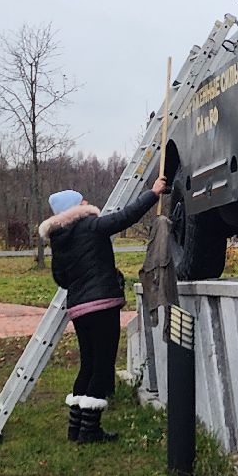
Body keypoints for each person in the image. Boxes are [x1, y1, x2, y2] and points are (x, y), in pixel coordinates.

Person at [39, 176, 166, 443]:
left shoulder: (58, 240)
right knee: (102, 367)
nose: (87, 202)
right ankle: (90, 430)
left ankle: (75, 428)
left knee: (87, 365)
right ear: (76, 208)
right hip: (102, 306)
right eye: (82, 200)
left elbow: (61, 279)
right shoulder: (90, 225)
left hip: (78, 309)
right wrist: (153, 193)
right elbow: (125, 218)